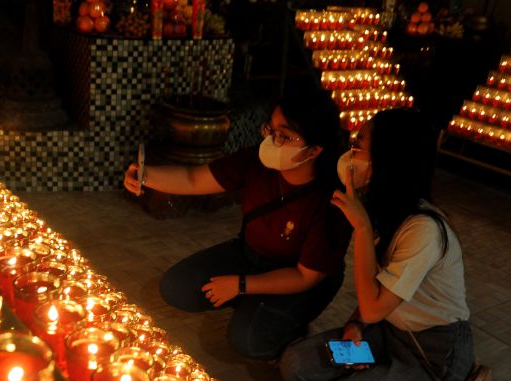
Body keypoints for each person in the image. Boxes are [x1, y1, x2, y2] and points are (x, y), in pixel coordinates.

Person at [279, 108, 474, 381]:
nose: (350, 154)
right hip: (387, 334)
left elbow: (373, 307)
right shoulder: (385, 205)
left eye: (360, 145)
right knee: (295, 367)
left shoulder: (423, 230)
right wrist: (356, 325)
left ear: (389, 158)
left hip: (430, 358)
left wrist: (362, 228)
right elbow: (374, 299)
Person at [123, 90, 350, 362]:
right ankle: (253, 304)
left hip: (297, 279)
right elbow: (194, 179)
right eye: (271, 129)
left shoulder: (330, 202)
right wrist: (145, 176)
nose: (272, 141)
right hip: (249, 254)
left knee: (248, 341)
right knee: (176, 287)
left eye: (285, 135)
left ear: (314, 150)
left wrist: (241, 285)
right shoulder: (258, 161)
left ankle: (282, 319)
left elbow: (305, 277)